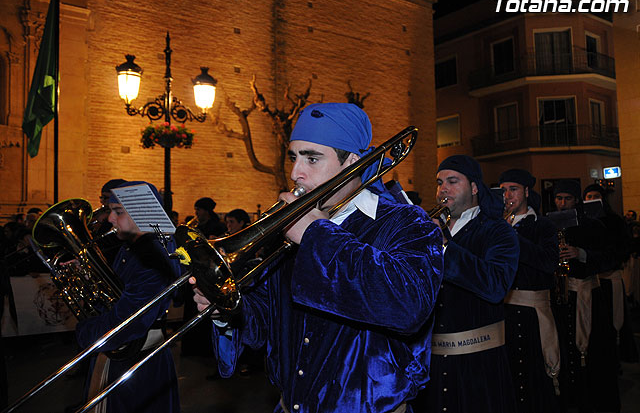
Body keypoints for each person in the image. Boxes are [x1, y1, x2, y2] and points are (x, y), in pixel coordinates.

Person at [192, 102, 444, 412]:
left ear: (351, 162)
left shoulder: (406, 222)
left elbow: (408, 306)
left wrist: (315, 236)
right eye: (294, 157)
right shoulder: (288, 229)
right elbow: (267, 325)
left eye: (312, 158)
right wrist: (226, 310)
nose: (297, 172)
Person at [415, 155, 520, 413]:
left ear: (474, 188)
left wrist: (443, 247)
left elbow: (496, 285)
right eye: (440, 183)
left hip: (478, 364)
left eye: (453, 181)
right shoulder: (433, 227)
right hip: (431, 363)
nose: (443, 189)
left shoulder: (498, 231)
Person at [74, 181, 180, 413]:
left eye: (118, 211)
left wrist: (85, 331)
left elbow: (128, 323)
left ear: (142, 212)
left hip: (137, 364)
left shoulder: (153, 257)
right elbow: (118, 291)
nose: (110, 218)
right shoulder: (132, 247)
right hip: (122, 358)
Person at [499, 169, 561, 413]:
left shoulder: (543, 225)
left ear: (526, 192)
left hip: (533, 314)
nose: (507, 195)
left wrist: (513, 237)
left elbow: (548, 262)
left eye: (513, 189)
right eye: (502, 190)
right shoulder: (497, 226)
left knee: (535, 377)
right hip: (503, 312)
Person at [551, 179, 614, 413]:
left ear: (576, 200)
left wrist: (581, 253)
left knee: (591, 354)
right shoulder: (549, 225)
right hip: (561, 296)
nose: (562, 203)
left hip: (587, 295)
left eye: (567, 198)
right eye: (559, 198)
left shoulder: (592, 225)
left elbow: (609, 256)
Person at [583, 184, 638, 364]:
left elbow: (622, 247)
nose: (592, 200)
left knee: (614, 320)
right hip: (591, 281)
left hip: (609, 277)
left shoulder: (614, 221)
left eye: (595, 196)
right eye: (588, 196)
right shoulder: (582, 221)